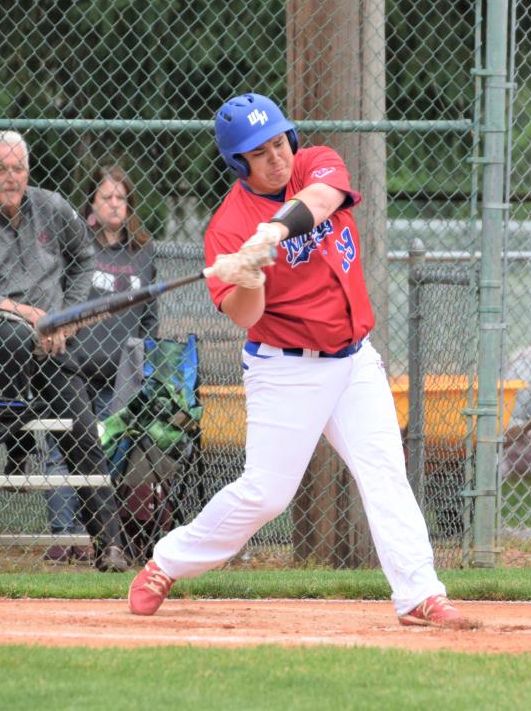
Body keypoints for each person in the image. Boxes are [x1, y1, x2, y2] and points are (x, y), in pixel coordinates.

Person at [128, 93, 472, 629]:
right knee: (266, 494)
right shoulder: (227, 228)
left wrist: (275, 230)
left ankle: (420, 594)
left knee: (384, 472)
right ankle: (166, 562)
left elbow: (324, 196)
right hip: (286, 368)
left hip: (355, 361)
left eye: (278, 142)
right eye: (258, 153)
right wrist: (250, 276)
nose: (276, 157)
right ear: (237, 163)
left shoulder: (313, 163)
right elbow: (245, 316)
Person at [0, 130, 129, 572]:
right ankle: (18, 433)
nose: (12, 178)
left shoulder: (50, 205)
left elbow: (85, 256)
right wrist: (32, 316)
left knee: (84, 429)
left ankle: (111, 544)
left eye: (18, 168)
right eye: (1, 169)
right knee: (10, 335)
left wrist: (63, 315)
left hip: (52, 342)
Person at [42, 164, 158, 563]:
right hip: (73, 365)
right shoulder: (77, 245)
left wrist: (145, 352)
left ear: (130, 204)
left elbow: (150, 313)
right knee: (63, 452)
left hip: (119, 371)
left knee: (109, 451)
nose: (114, 204)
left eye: (121, 198)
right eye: (106, 196)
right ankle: (64, 537)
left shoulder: (143, 250)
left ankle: (102, 538)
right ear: (91, 202)